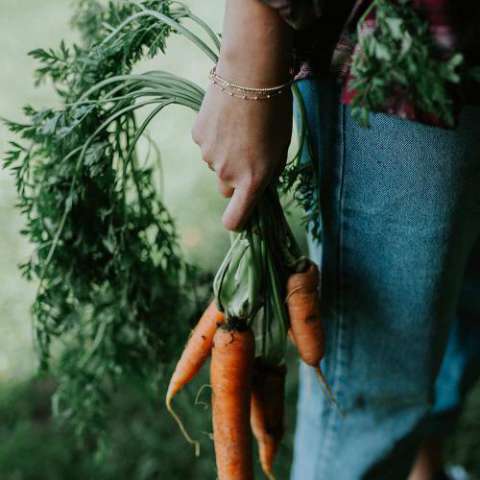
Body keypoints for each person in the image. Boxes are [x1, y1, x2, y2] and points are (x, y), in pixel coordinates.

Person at [191, 0, 480, 478]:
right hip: (397, 49)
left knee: (460, 301)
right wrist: (247, 62)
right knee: (372, 390)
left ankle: (421, 463)